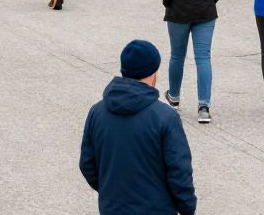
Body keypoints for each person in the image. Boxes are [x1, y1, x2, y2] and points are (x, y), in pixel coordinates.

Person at [80, 40, 196, 215]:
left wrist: (111, 192)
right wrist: (187, 208)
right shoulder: (165, 117)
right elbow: (179, 172)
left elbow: (87, 164)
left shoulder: (97, 112)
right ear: (152, 73)